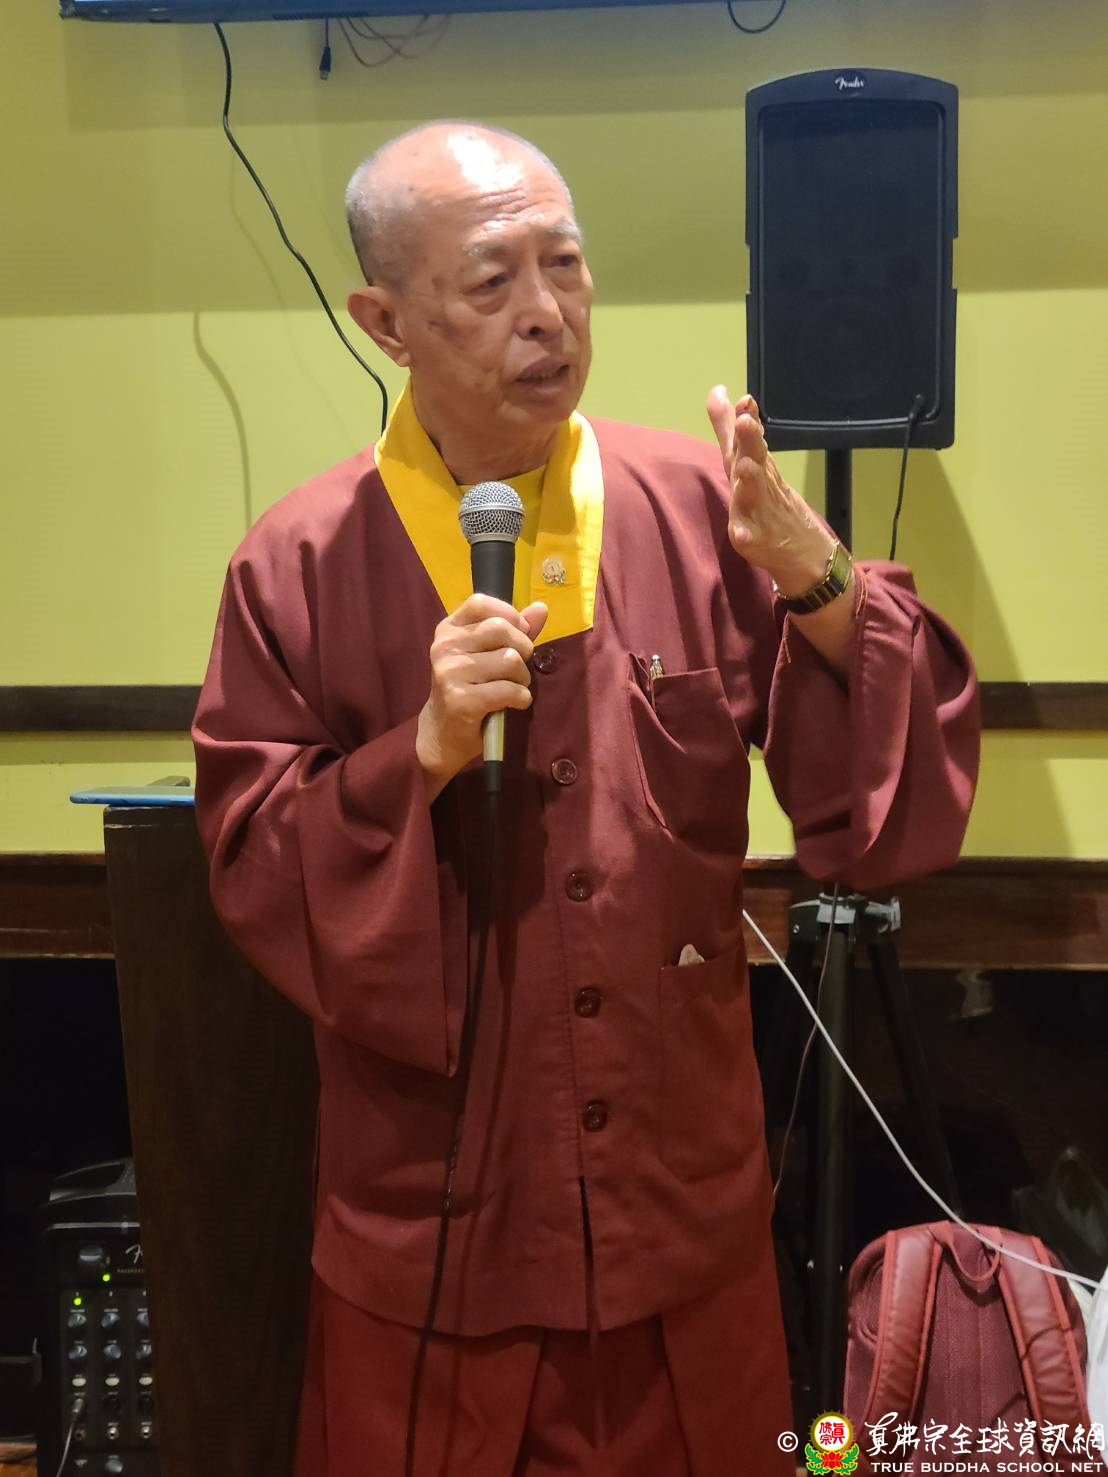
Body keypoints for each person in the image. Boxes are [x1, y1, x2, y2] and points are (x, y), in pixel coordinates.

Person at [192, 121, 980, 1477]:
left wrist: (820, 581)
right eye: (492, 281)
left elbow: (878, 803)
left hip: (682, 1211)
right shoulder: (300, 561)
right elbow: (252, 860)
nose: (546, 313)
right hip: (443, 1230)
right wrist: (417, 753)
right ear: (384, 322)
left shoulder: (699, 504)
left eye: (565, 265)